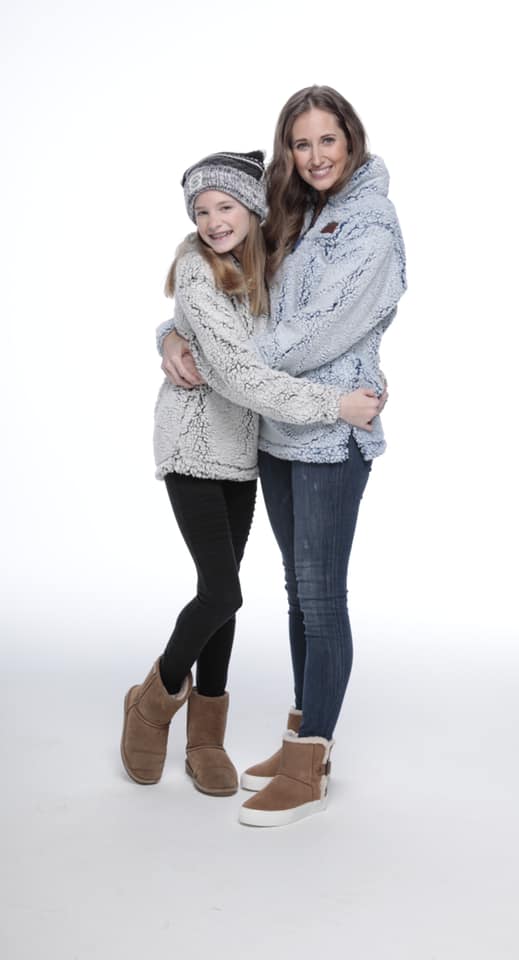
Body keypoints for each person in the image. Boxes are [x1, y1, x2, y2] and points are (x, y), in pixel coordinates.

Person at [162, 86, 407, 827]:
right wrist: (172, 336)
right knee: (300, 594)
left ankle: (311, 766)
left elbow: (314, 334)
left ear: (351, 139)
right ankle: (301, 734)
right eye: (302, 143)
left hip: (333, 432)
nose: (316, 155)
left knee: (323, 596)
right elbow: (228, 286)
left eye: (328, 139)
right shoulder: (291, 215)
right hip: (275, 432)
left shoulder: (370, 226)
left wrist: (221, 354)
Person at [120, 149, 382, 798]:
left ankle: (206, 739)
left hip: (244, 449)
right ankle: (153, 700)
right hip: (192, 445)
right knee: (222, 592)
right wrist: (335, 405)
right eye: (201, 211)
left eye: (226, 206)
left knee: (224, 591)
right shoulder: (195, 268)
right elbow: (239, 373)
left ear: (254, 210)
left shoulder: (266, 263)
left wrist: (168, 334)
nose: (212, 221)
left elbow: (310, 332)